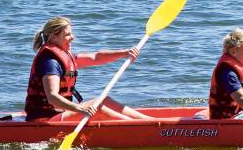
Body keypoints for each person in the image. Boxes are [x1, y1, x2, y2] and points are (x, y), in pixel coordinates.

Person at [23, 16, 155, 121]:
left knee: (104, 100)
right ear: (53, 37)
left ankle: (151, 122)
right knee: (98, 108)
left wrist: (124, 53)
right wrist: (79, 109)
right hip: (44, 119)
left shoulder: (64, 56)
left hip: (60, 113)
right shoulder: (50, 62)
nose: (72, 37)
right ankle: (144, 128)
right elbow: (52, 97)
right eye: (67, 35)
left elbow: (95, 57)